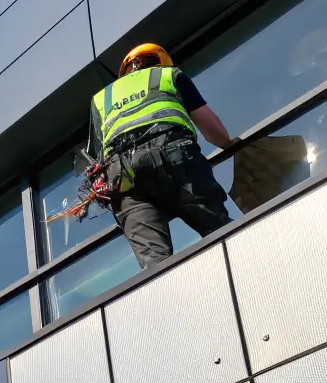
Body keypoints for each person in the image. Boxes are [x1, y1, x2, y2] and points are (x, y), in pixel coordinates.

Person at [87, 42, 237, 268]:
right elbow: (208, 124)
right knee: (219, 228)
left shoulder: (101, 99)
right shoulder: (169, 75)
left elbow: (97, 156)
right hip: (175, 159)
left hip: (123, 178)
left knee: (155, 263)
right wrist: (228, 144)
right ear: (160, 61)